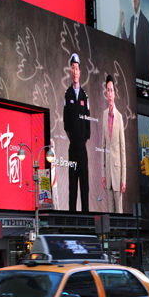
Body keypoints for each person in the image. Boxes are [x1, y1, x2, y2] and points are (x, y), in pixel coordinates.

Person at [63, 53, 90, 212]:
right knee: (72, 185)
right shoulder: (67, 94)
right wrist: (73, 139)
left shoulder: (85, 96)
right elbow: (66, 122)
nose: (75, 71)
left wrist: (84, 138)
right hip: (73, 148)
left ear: (80, 72)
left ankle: (86, 216)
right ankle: (72, 218)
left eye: (77, 68)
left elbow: (88, 121)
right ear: (70, 71)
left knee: (84, 186)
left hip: (83, 148)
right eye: (72, 68)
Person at [120, 0, 149, 83]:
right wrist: (122, 27)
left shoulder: (145, 22)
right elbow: (129, 45)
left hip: (143, 80)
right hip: (133, 77)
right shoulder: (131, 20)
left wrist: (148, 81)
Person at [101, 74, 126, 213]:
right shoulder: (104, 115)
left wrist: (124, 179)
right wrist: (103, 174)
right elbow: (103, 147)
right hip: (108, 175)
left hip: (117, 173)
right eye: (107, 90)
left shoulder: (120, 117)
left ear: (115, 93)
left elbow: (123, 150)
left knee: (119, 212)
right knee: (109, 213)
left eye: (111, 90)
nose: (109, 93)